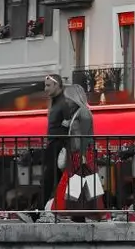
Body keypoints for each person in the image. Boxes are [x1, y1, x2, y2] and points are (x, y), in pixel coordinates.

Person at [51, 84, 102, 221]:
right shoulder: (79, 113)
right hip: (79, 154)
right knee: (86, 184)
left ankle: (75, 211)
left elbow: (85, 136)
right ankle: (84, 212)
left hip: (81, 154)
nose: (66, 101)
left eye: (68, 98)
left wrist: (83, 155)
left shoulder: (83, 113)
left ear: (74, 98)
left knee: (78, 182)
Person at [43, 74, 79, 200]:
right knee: (54, 180)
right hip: (54, 144)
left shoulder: (64, 103)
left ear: (56, 85)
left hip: (58, 145)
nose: (45, 88)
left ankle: (37, 211)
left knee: (48, 179)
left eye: (48, 85)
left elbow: (70, 124)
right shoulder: (55, 102)